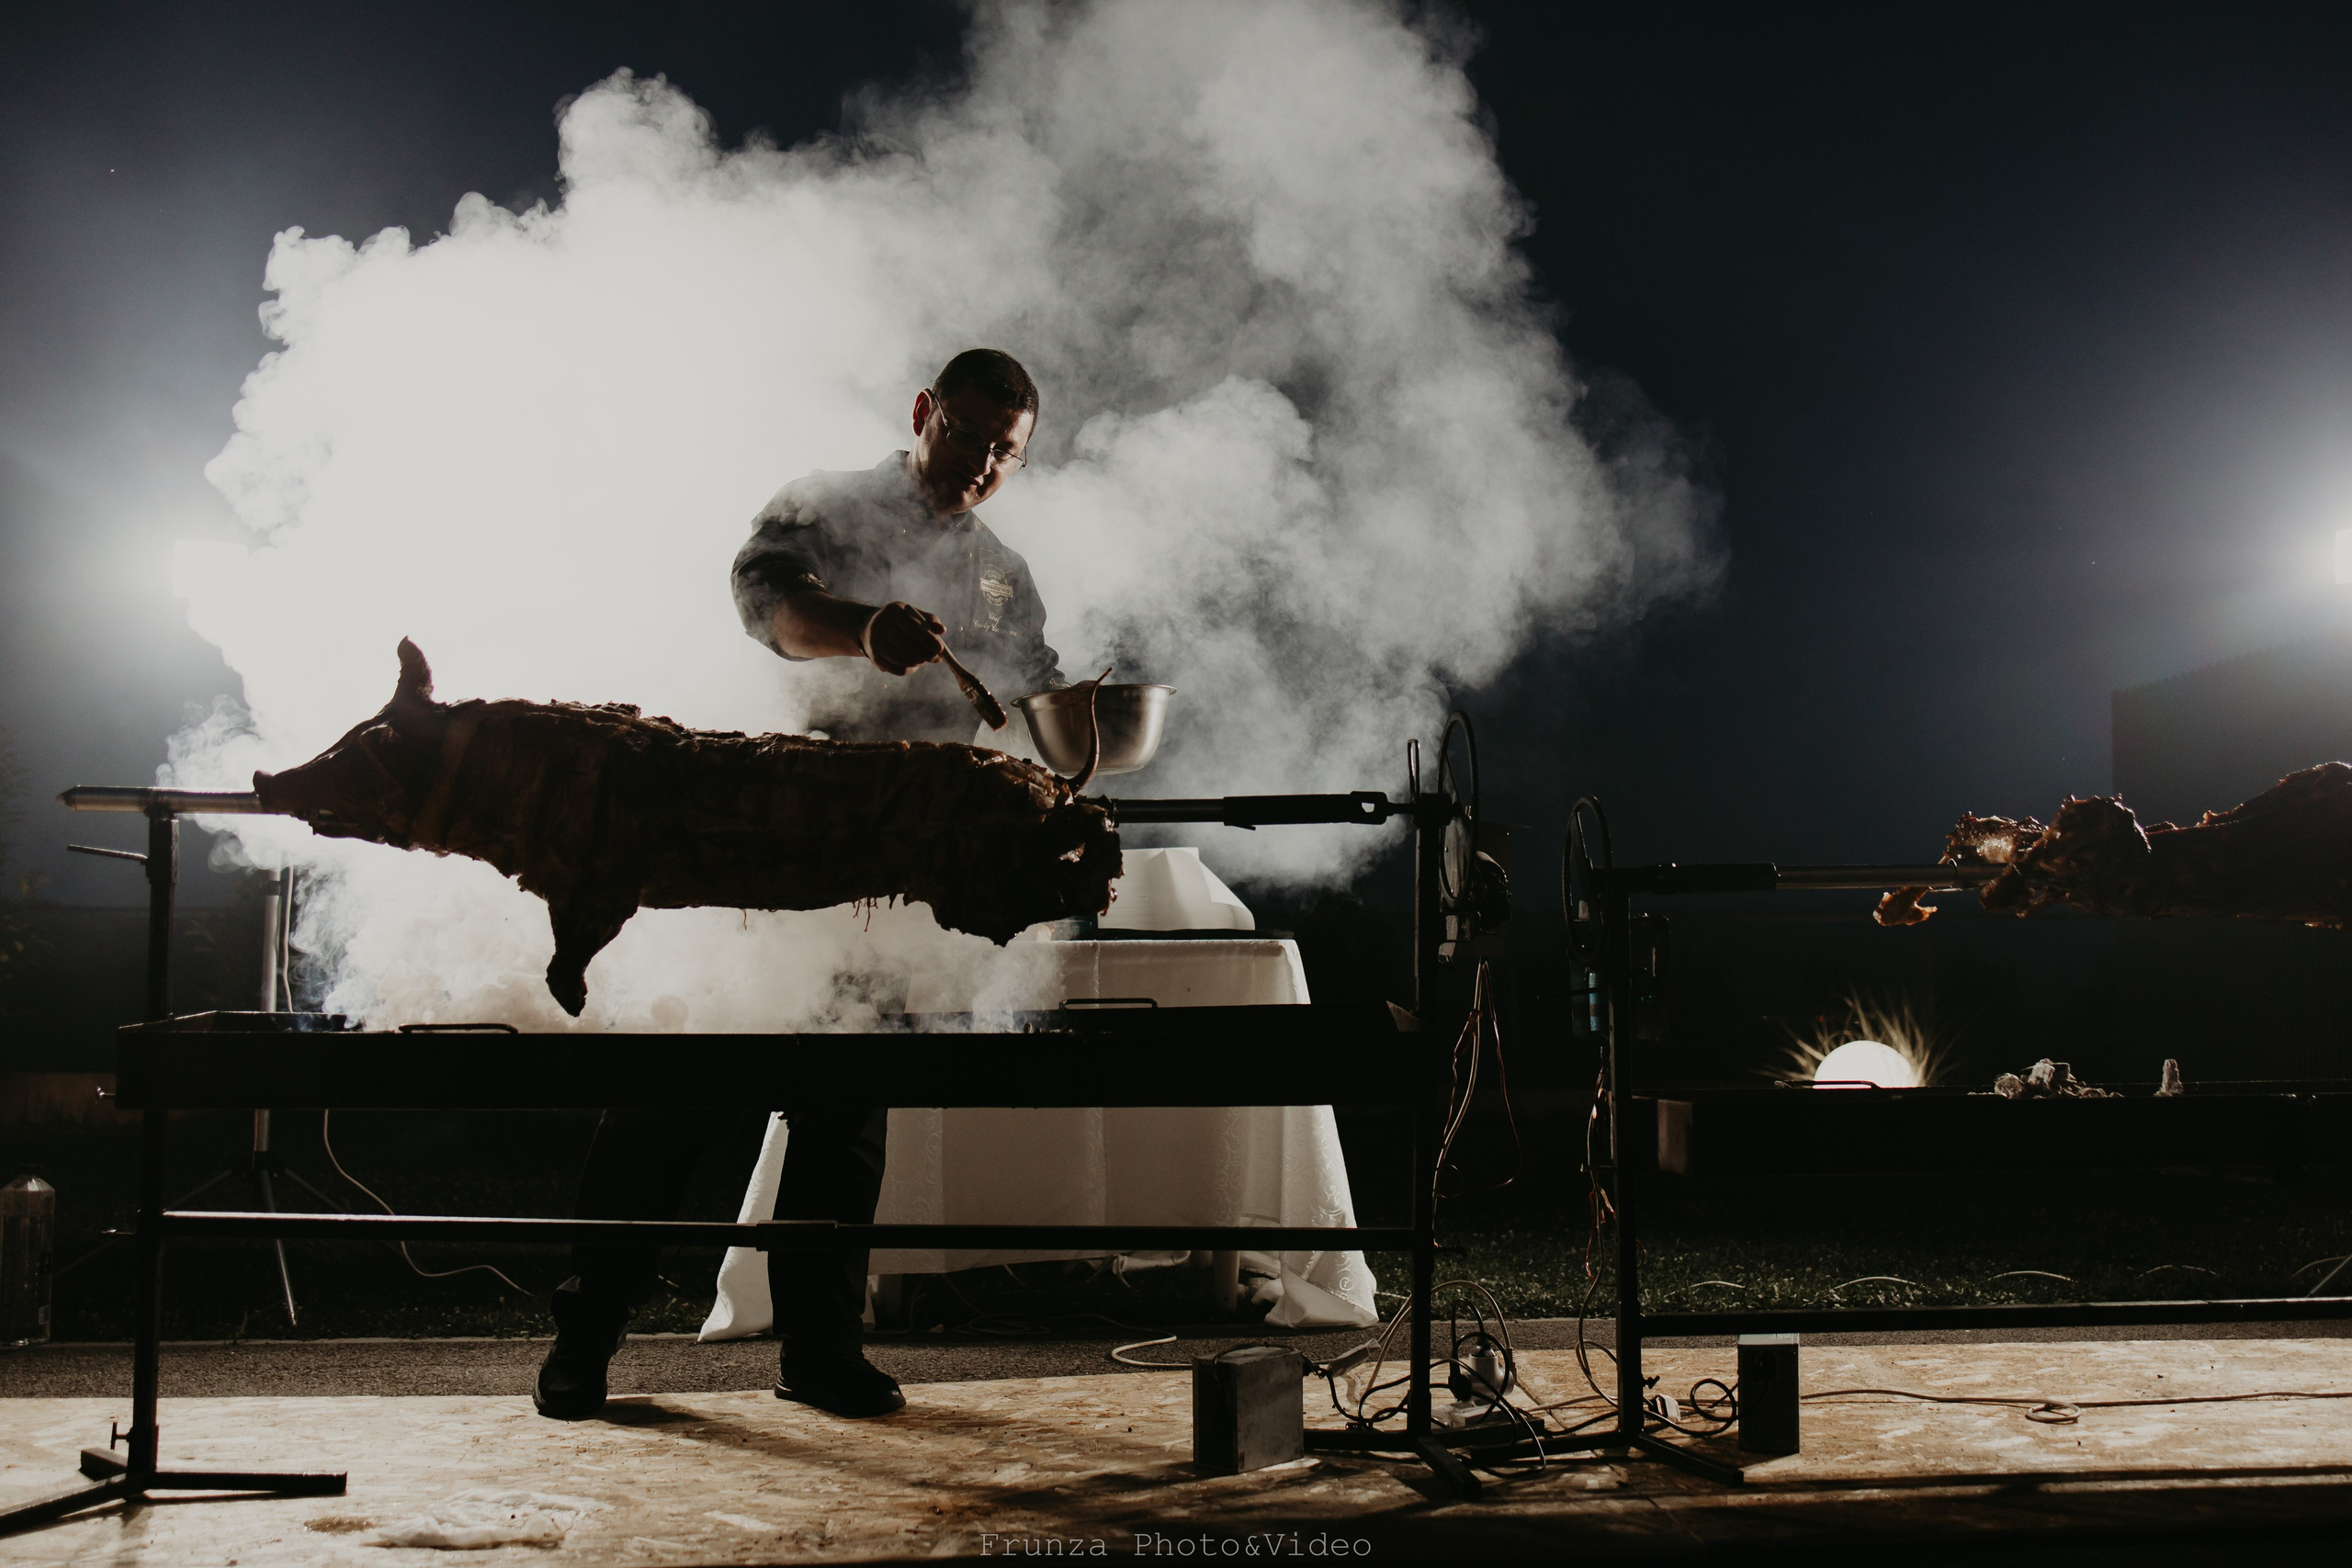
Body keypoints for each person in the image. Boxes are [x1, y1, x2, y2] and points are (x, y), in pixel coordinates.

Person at [533, 349, 1064, 1422]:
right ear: (922, 414)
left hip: (887, 873)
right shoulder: (822, 506)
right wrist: (864, 631)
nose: (977, 465)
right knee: (674, 1093)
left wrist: (1080, 721)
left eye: (1003, 452)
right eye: (963, 435)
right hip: (756, 841)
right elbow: (766, 602)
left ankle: (820, 1352)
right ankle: (583, 1341)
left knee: (844, 1117)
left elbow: (1034, 694)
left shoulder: (1003, 571)